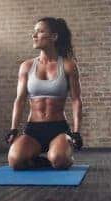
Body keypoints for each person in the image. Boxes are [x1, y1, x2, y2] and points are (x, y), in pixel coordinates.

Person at [5, 17, 83, 170]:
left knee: (59, 160)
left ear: (54, 37)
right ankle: (43, 158)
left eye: (40, 32)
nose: (34, 35)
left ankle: (61, 154)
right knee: (15, 161)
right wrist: (14, 129)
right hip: (33, 129)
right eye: (34, 32)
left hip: (58, 128)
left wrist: (76, 132)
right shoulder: (26, 66)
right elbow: (19, 100)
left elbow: (76, 100)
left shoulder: (68, 65)